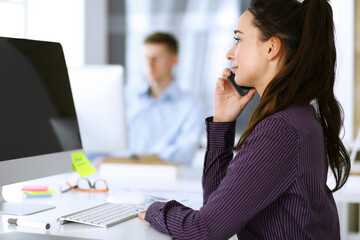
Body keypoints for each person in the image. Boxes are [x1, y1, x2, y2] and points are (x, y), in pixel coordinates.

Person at [138, 0, 351, 239]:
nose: (230, 53)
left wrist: (152, 209)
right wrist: (222, 123)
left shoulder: (280, 129)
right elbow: (218, 208)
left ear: (271, 48)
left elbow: (203, 230)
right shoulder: (297, 116)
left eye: (238, 39)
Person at [100, 32, 204, 165]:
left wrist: (127, 160)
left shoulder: (192, 106)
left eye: (156, 58)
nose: (149, 64)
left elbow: (183, 154)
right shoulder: (125, 97)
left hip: (163, 179)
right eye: (146, 58)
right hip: (115, 171)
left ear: (174, 60)